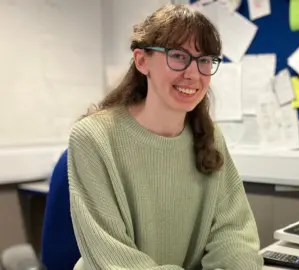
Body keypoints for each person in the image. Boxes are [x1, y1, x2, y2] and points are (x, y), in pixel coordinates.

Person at [68, 4, 263, 269]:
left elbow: (234, 233)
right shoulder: (94, 137)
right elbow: (113, 258)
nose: (193, 73)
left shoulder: (209, 137)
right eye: (179, 56)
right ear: (142, 61)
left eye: (204, 60)